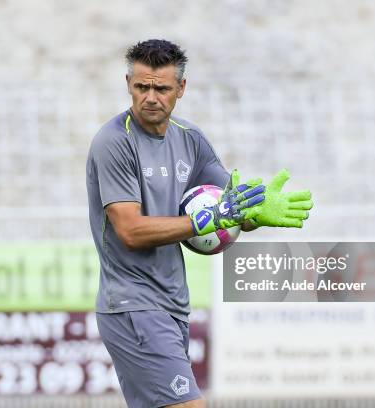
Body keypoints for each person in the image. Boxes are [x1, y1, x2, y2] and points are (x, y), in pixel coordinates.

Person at [86, 39, 312, 408]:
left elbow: (228, 207)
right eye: (141, 87)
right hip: (133, 304)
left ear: (181, 89)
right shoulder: (114, 142)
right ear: (128, 83)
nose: (150, 97)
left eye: (161, 88)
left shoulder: (190, 140)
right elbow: (130, 231)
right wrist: (204, 220)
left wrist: (253, 211)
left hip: (172, 304)